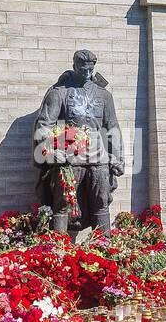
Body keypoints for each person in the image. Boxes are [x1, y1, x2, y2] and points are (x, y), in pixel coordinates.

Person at [33, 49, 124, 233]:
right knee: (63, 204)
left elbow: (112, 127)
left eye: (90, 70)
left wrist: (117, 157)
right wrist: (52, 149)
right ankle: (58, 252)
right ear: (74, 66)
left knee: (101, 203)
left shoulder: (104, 96)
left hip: (98, 159)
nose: (87, 74)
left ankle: (105, 249)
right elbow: (43, 125)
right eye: (83, 69)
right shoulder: (59, 93)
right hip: (69, 160)